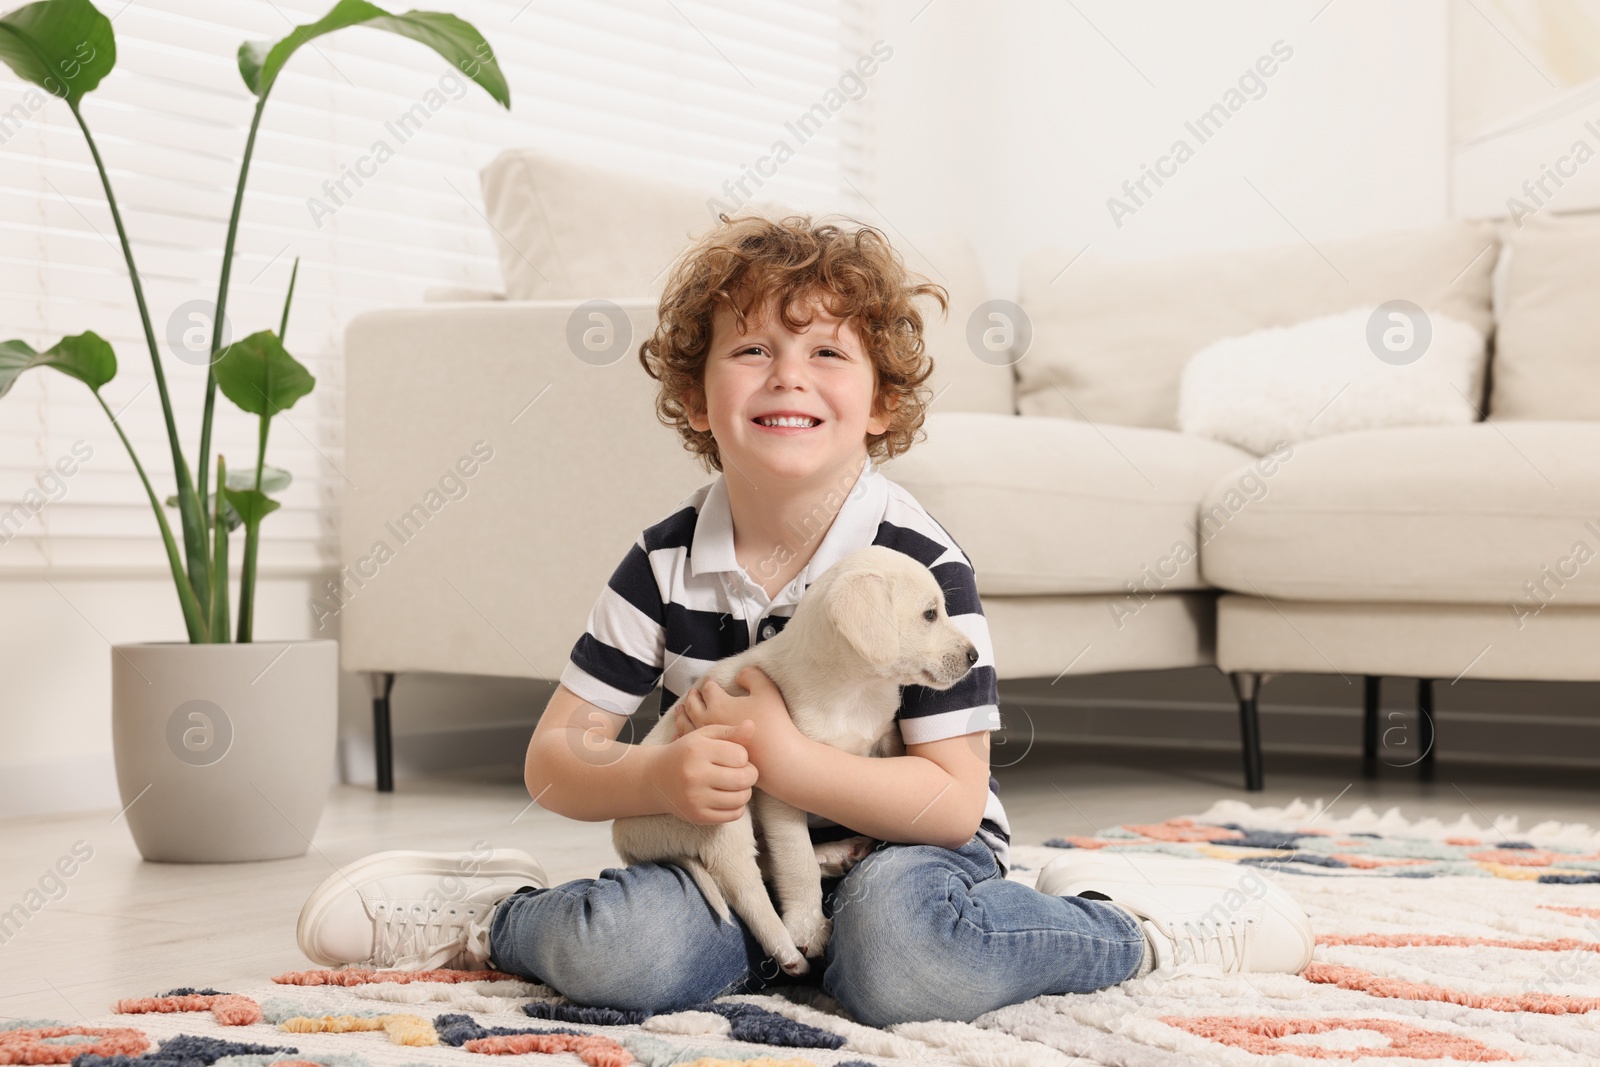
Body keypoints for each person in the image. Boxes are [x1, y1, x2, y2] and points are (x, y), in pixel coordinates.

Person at [295, 214, 1314, 1028]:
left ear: (879, 404)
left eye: (828, 350)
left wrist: (780, 756)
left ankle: (1129, 928)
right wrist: (654, 775)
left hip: (902, 858)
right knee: (630, 955)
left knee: (904, 962)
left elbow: (953, 803)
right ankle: (496, 918)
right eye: (751, 348)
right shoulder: (660, 562)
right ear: (696, 397)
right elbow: (555, 758)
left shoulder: (921, 566)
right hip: (724, 860)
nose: (788, 373)